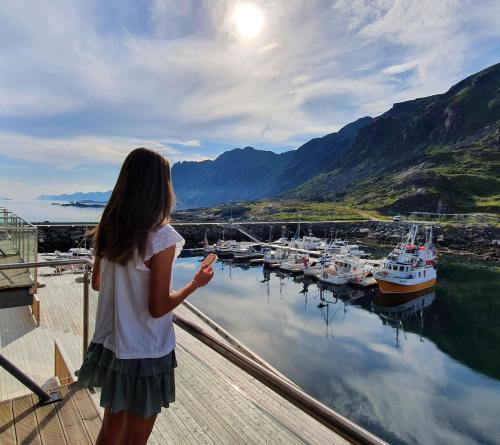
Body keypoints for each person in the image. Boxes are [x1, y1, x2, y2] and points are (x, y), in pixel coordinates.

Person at [76, 147, 214, 445]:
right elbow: (158, 307)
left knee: (110, 432)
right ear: (161, 186)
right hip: (144, 352)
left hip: (112, 346)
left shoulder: (110, 229)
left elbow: (98, 283)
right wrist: (195, 284)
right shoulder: (161, 237)